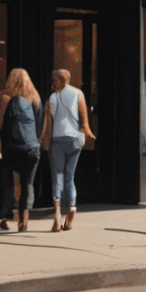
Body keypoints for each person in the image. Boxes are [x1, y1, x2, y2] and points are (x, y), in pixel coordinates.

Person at [40, 68, 92, 233]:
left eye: (54, 79)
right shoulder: (78, 94)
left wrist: (45, 141)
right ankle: (71, 209)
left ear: (59, 80)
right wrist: (83, 136)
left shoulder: (53, 97)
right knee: (69, 177)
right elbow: (84, 118)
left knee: (58, 177)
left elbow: (49, 123)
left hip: (58, 139)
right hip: (75, 139)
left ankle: (57, 216)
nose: (53, 82)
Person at [0, 70, 42, 232]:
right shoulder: (35, 99)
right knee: (28, 184)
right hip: (32, 147)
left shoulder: (8, 99)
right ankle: (24, 220)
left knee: (12, 183)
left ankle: (9, 217)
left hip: (14, 147)